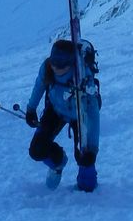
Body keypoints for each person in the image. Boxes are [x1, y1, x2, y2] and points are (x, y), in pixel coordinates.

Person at [24, 37, 100, 191]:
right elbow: (39, 85)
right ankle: (57, 162)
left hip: (80, 114)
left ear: (71, 62)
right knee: (37, 150)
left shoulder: (83, 77)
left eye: (62, 63)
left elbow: (93, 113)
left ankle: (87, 188)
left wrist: (92, 148)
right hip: (55, 110)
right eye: (54, 61)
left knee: (85, 158)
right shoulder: (47, 67)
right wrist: (31, 109)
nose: (56, 66)